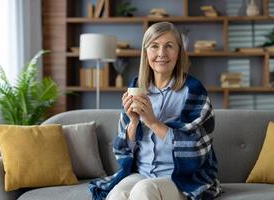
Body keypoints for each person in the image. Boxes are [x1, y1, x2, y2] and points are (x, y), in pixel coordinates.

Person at [90, 22, 222, 200]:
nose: (161, 53)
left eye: (169, 46)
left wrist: (152, 122)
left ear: (179, 52)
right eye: (154, 46)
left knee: (144, 190)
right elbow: (122, 150)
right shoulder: (136, 88)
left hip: (180, 179)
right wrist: (133, 123)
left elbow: (196, 149)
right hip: (142, 173)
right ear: (146, 52)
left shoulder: (194, 92)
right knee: (116, 194)